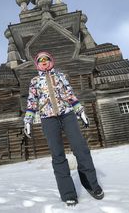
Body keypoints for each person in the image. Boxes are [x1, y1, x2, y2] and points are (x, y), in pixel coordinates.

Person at [23, 51, 104, 207]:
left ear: (51, 61)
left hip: (67, 115)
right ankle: (68, 193)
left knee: (81, 148)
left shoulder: (61, 76)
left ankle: (91, 184)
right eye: (41, 60)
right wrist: (28, 121)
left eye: (47, 59)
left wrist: (81, 112)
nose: (44, 61)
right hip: (48, 119)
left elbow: (71, 95)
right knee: (58, 155)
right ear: (37, 64)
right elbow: (32, 102)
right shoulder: (34, 81)